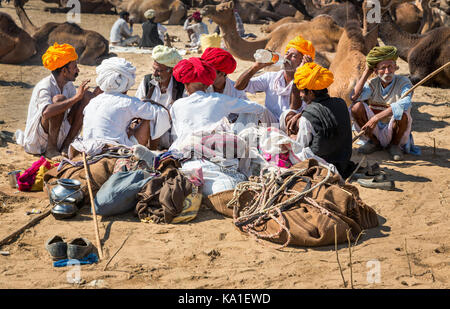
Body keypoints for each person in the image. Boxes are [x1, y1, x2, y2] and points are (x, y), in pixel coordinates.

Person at [69, 57, 171, 156]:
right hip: (114, 150)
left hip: (87, 148)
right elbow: (162, 113)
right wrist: (150, 102)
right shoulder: (128, 102)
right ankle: (151, 152)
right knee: (150, 118)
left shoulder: (93, 101)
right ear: (126, 82)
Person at [15, 43, 94, 159]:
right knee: (59, 100)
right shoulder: (45, 86)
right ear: (64, 71)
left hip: (59, 134)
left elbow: (75, 109)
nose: (78, 70)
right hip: (39, 141)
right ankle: (51, 150)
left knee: (85, 96)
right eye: (74, 67)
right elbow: (46, 112)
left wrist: (89, 96)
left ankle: (66, 146)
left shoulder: (69, 85)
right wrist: (76, 98)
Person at [169, 57, 265, 151]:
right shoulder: (219, 99)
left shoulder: (176, 105)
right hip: (217, 151)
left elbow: (178, 133)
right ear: (207, 85)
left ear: (185, 85)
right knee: (249, 113)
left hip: (183, 152)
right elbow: (258, 108)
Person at [287, 62, 354, 178]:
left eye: (302, 91)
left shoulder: (307, 117)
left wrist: (292, 139)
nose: (301, 95)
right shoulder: (341, 103)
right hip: (344, 162)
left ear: (311, 92)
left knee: (288, 148)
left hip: (322, 165)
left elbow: (301, 146)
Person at [350, 46, 417, 161]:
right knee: (356, 107)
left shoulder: (404, 82)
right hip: (374, 129)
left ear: (395, 67)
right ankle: (374, 142)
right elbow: (354, 97)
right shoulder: (373, 83)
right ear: (376, 71)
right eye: (383, 68)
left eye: (390, 66)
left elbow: (405, 103)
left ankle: (394, 146)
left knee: (402, 113)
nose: (387, 71)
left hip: (393, 129)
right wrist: (366, 72)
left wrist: (376, 118)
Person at [234, 35, 314, 125]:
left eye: (294, 56)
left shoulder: (307, 83)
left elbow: (294, 108)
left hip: (292, 125)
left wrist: (301, 72)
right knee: (255, 108)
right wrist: (255, 67)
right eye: (287, 53)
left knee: (287, 114)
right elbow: (238, 86)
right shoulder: (271, 77)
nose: (287, 58)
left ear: (302, 62)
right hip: (271, 124)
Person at [135, 45, 184, 149]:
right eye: (154, 69)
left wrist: (159, 110)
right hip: (148, 134)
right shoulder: (147, 81)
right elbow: (137, 106)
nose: (154, 73)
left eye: (159, 70)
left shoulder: (181, 86)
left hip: (173, 133)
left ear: (170, 71)